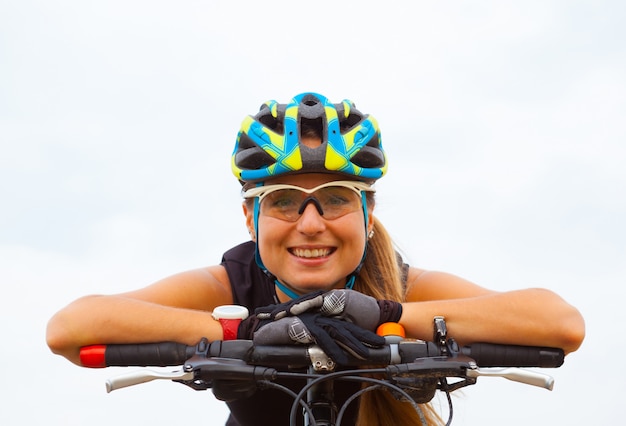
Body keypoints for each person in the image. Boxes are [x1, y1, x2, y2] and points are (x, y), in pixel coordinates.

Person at [46, 92, 585, 425]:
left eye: (334, 200)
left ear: (367, 214)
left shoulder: (398, 283)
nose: (310, 223)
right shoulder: (231, 282)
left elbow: (560, 323)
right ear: (250, 219)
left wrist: (380, 316)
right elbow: (70, 327)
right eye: (282, 201)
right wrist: (251, 329)